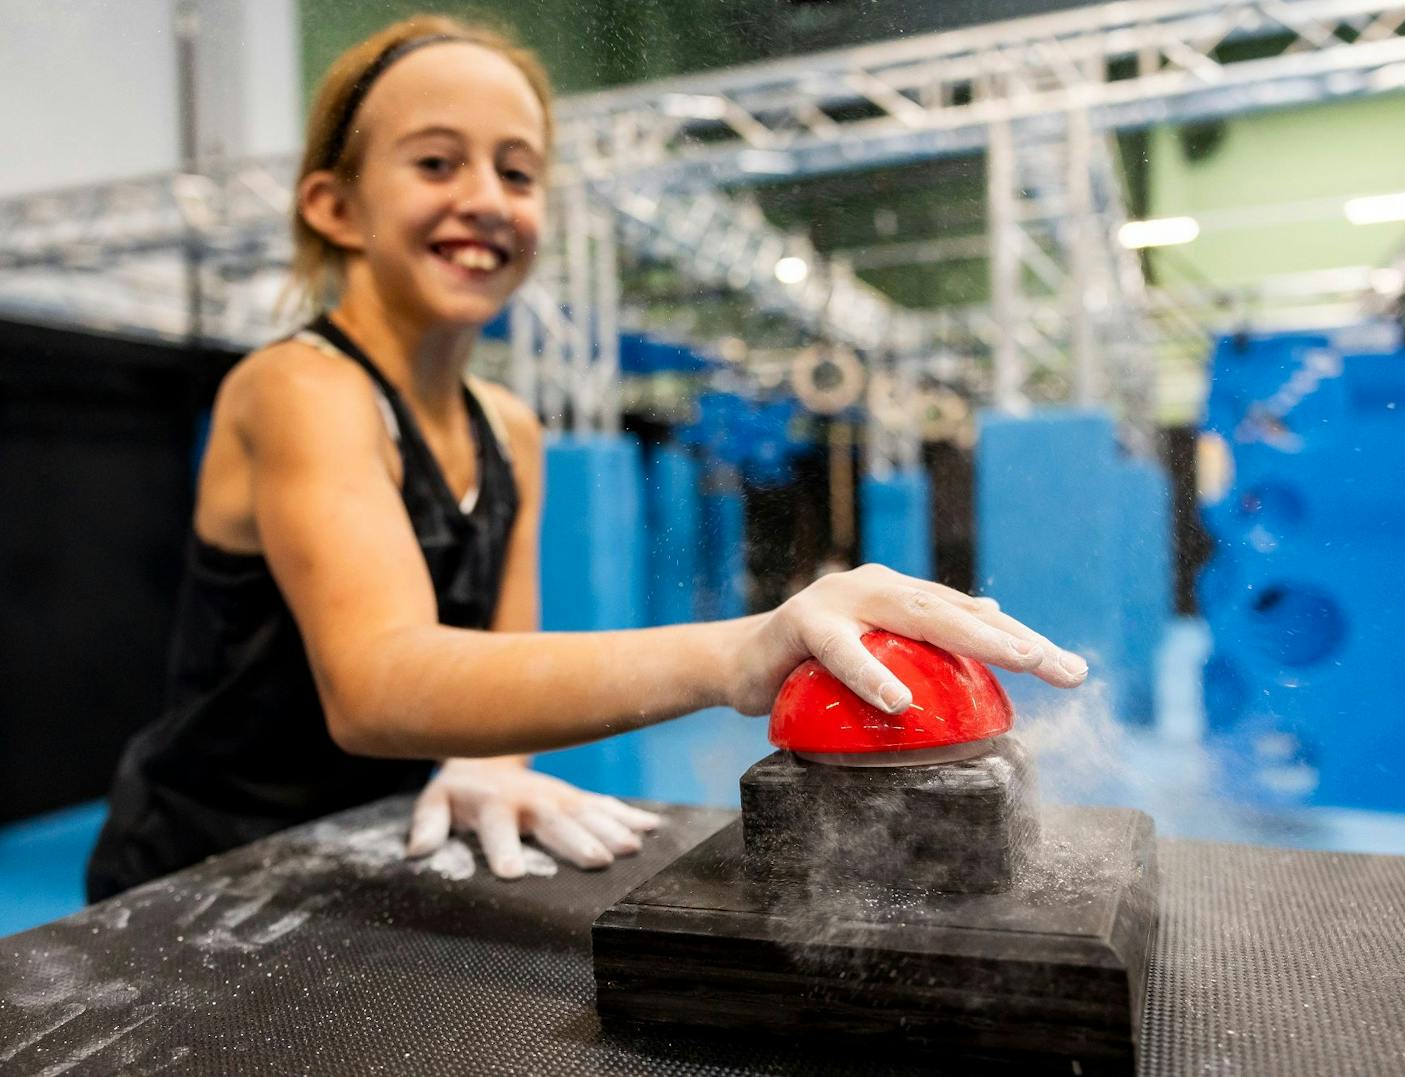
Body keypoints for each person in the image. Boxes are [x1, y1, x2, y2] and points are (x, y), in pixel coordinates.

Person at [86, 15, 1088, 901]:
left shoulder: (508, 425)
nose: (485, 197)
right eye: (436, 163)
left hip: (374, 845)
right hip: (204, 864)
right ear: (334, 206)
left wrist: (493, 761)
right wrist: (740, 651)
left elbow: (486, 646)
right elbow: (377, 684)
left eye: (516, 172)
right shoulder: (299, 388)